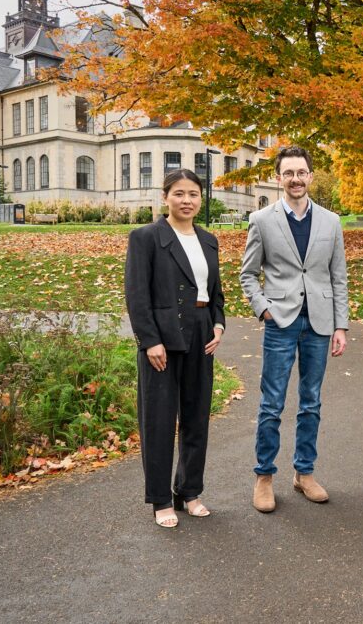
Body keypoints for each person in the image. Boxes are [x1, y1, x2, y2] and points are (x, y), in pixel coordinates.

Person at [240, 146, 349, 513]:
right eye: (288, 173)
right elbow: (247, 274)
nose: (296, 179)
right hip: (281, 322)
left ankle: (304, 473)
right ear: (278, 178)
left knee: (311, 402)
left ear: (311, 176)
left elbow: (338, 278)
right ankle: (264, 477)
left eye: (301, 172)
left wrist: (341, 325)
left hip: (319, 323)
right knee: (272, 403)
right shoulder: (262, 220)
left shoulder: (331, 222)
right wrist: (263, 309)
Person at [125, 169, 225, 528]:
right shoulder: (146, 238)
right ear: (165, 197)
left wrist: (218, 322)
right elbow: (137, 295)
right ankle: (161, 500)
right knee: (160, 421)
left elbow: (215, 292)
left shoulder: (209, 240)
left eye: (193, 194)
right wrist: (149, 340)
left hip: (202, 334)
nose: (187, 201)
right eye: (179, 193)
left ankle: (190, 492)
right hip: (162, 339)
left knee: (197, 418)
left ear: (201, 199)